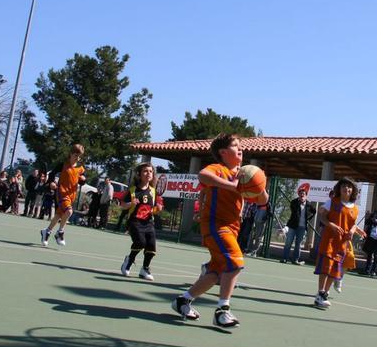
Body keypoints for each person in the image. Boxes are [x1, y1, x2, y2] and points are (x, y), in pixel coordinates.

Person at [171, 133, 268, 328]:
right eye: (235, 145)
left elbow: (262, 201)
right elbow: (202, 176)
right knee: (236, 261)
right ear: (223, 152)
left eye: (240, 145)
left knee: (216, 272)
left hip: (232, 228)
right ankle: (222, 310)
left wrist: (259, 185)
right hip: (215, 225)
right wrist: (232, 186)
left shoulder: (244, 175)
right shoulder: (218, 169)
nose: (240, 149)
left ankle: (183, 300)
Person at [313, 177, 366, 309]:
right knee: (325, 268)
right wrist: (331, 225)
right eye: (344, 186)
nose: (346, 188)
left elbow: (352, 224)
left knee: (334, 271)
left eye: (349, 186)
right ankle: (320, 293)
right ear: (339, 188)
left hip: (342, 244)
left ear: (353, 190)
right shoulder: (332, 202)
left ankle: (324, 294)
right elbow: (322, 217)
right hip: (329, 241)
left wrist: (353, 230)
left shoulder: (355, 208)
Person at [119, 163, 163, 280]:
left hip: (148, 223)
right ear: (139, 174)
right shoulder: (132, 190)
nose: (148, 173)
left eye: (150, 171)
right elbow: (123, 205)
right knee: (140, 242)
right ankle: (129, 260)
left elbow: (153, 209)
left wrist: (157, 209)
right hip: (134, 222)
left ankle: (145, 269)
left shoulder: (153, 191)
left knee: (151, 246)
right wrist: (131, 203)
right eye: (145, 171)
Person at [39, 144, 86, 247]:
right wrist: (51, 182)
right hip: (62, 192)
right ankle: (60, 232)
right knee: (69, 211)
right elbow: (52, 173)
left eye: (79, 156)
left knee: (59, 215)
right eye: (76, 155)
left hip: (72, 195)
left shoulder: (80, 168)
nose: (77, 158)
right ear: (71, 154)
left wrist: (83, 179)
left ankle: (46, 232)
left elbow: (82, 181)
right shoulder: (63, 164)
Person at [281, 186, 314, 264]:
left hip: (302, 227)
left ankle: (295, 259)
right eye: (300, 194)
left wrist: (308, 218)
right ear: (298, 195)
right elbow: (294, 211)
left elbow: (314, 211)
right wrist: (300, 202)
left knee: (298, 244)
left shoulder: (309, 204)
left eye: (303, 194)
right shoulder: (294, 202)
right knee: (288, 242)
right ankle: (285, 258)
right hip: (292, 226)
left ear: (306, 195)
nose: (302, 195)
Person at [361, 200, 377, 276]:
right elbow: (367, 222)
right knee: (369, 253)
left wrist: (375, 221)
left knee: (376, 253)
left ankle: (373, 270)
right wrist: (368, 216)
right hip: (371, 236)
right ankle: (367, 270)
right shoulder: (373, 214)